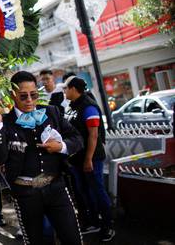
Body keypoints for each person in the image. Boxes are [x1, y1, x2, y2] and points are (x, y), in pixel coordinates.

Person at [0, 71, 84, 244]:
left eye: (34, 95)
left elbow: (77, 138)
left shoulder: (51, 112)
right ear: (13, 95)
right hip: (26, 193)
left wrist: (61, 146)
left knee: (72, 237)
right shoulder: (5, 122)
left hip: (56, 187)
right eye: (23, 96)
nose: (30, 101)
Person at [63, 76, 115, 242]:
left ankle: (108, 225)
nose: (64, 91)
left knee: (97, 191)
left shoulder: (88, 107)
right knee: (84, 191)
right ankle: (94, 222)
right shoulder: (73, 106)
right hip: (77, 159)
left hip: (91, 158)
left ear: (74, 89)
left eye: (66, 88)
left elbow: (93, 136)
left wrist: (88, 159)